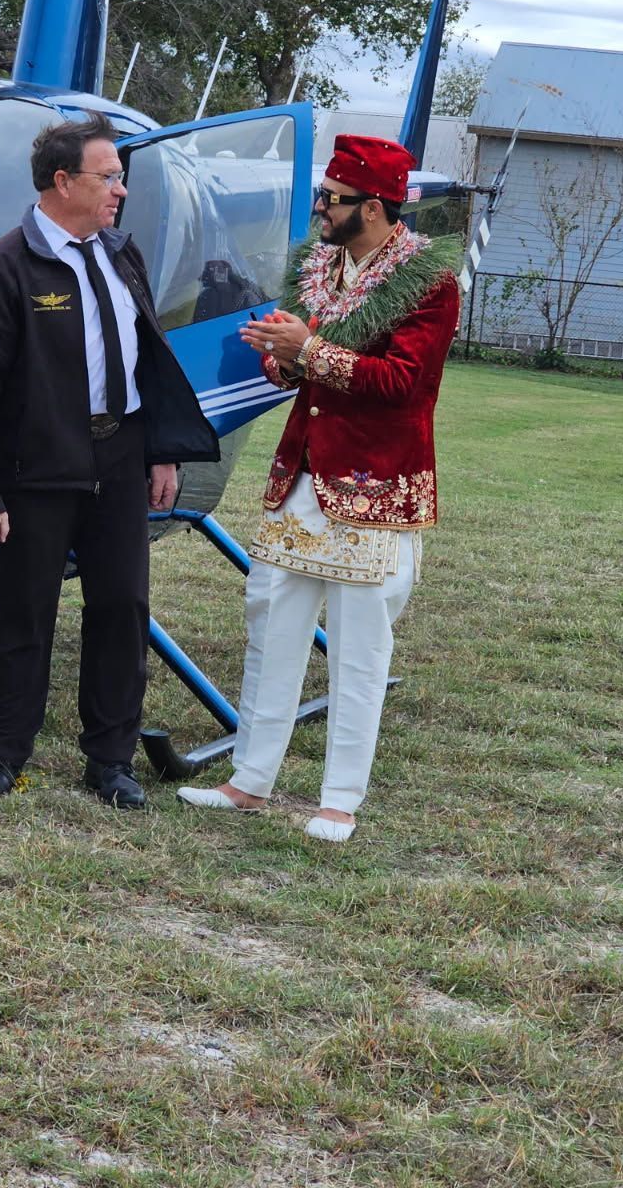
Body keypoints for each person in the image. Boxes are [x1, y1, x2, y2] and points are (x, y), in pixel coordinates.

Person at [178, 134, 460, 841]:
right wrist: (282, 358)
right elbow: (305, 372)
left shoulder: (430, 283)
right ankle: (250, 780)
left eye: (330, 200)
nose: (319, 211)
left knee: (361, 642)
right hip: (300, 471)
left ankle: (340, 800)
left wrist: (307, 349)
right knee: (271, 621)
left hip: (376, 483)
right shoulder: (319, 268)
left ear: (373, 206)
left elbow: (402, 385)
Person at [0, 115, 219, 807]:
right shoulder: (7, 264)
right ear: (62, 181)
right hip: (40, 466)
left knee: (122, 606)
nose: (121, 191)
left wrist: (159, 453)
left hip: (122, 457)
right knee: (24, 612)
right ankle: (4, 756)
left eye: (121, 177)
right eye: (109, 176)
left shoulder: (121, 254)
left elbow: (147, 363)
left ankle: (110, 762)